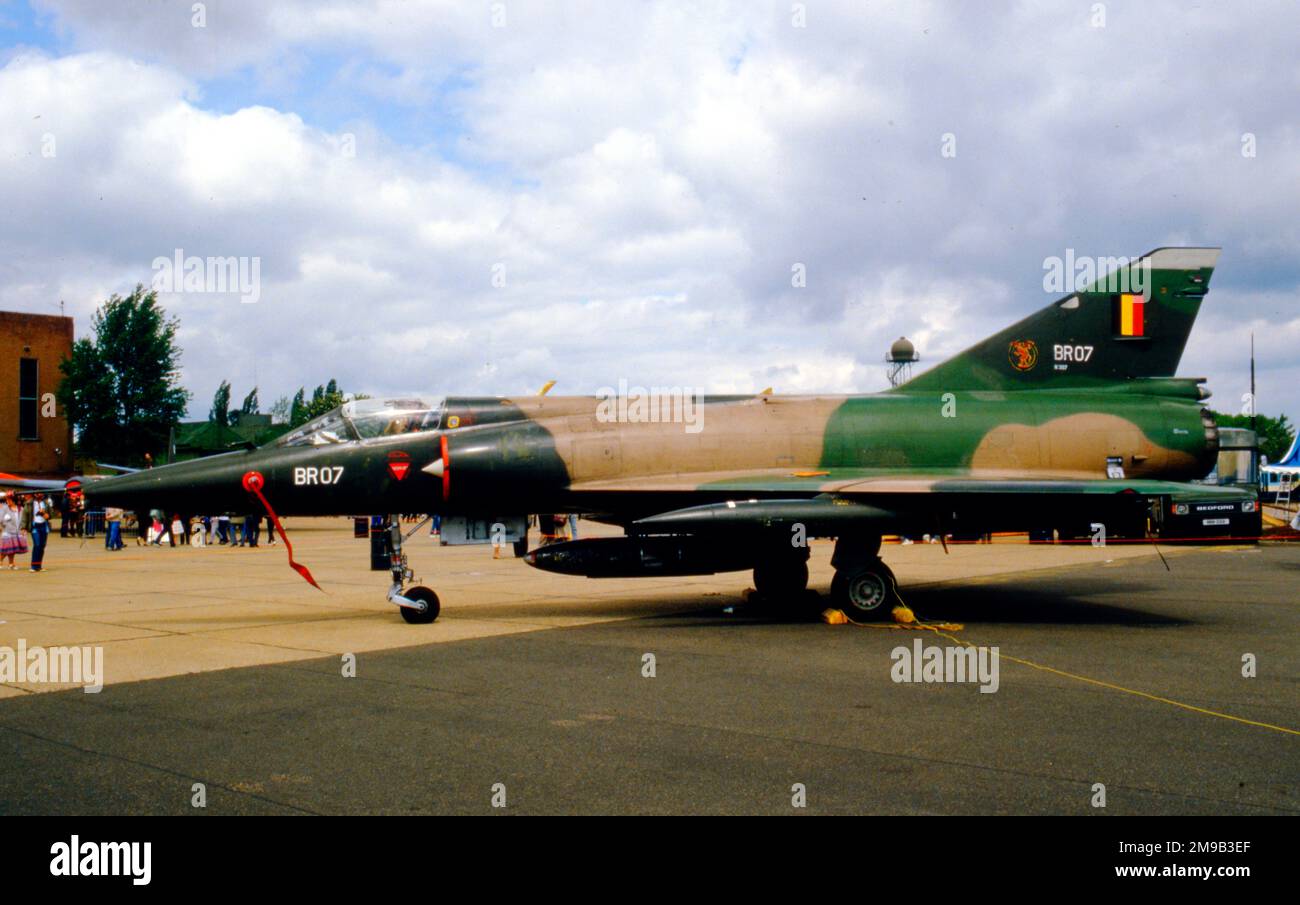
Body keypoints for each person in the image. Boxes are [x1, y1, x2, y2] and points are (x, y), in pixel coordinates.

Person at [0, 493, 26, 569]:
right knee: (6, 548)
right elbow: (0, 519)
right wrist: (5, 523)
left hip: (17, 531)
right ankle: (0, 561)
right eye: (7, 500)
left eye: (9, 500)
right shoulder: (5, 508)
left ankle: (11, 564)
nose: (7, 501)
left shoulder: (20, 508)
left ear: (13, 500)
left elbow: (23, 519)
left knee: (13, 549)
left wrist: (23, 528)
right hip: (7, 531)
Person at [29, 492, 50, 572]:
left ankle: (39, 565)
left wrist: (44, 513)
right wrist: (23, 527)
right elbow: (25, 514)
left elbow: (50, 515)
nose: (40, 495)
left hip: (44, 526)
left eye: (41, 493)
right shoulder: (30, 503)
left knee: (42, 546)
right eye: (38, 493)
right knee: (37, 545)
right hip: (35, 526)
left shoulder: (46, 503)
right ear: (35, 494)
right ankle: (33, 566)